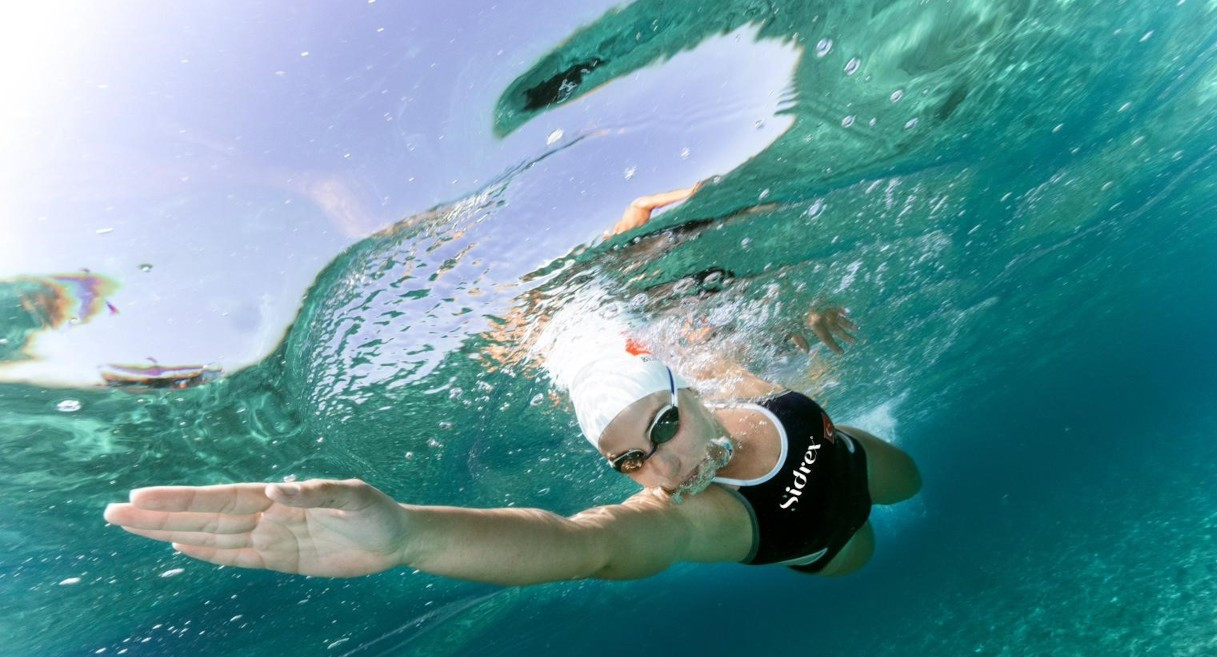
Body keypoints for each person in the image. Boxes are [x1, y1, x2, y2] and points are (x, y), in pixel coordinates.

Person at [102, 187, 922, 585]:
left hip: (855, 460)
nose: (663, 473)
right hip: (824, 549)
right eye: (629, 462)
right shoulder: (698, 516)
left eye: (664, 429)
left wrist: (814, 347)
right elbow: (587, 542)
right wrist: (411, 536)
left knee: (906, 479)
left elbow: (795, 395)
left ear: (694, 388)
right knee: (864, 551)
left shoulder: (738, 384)